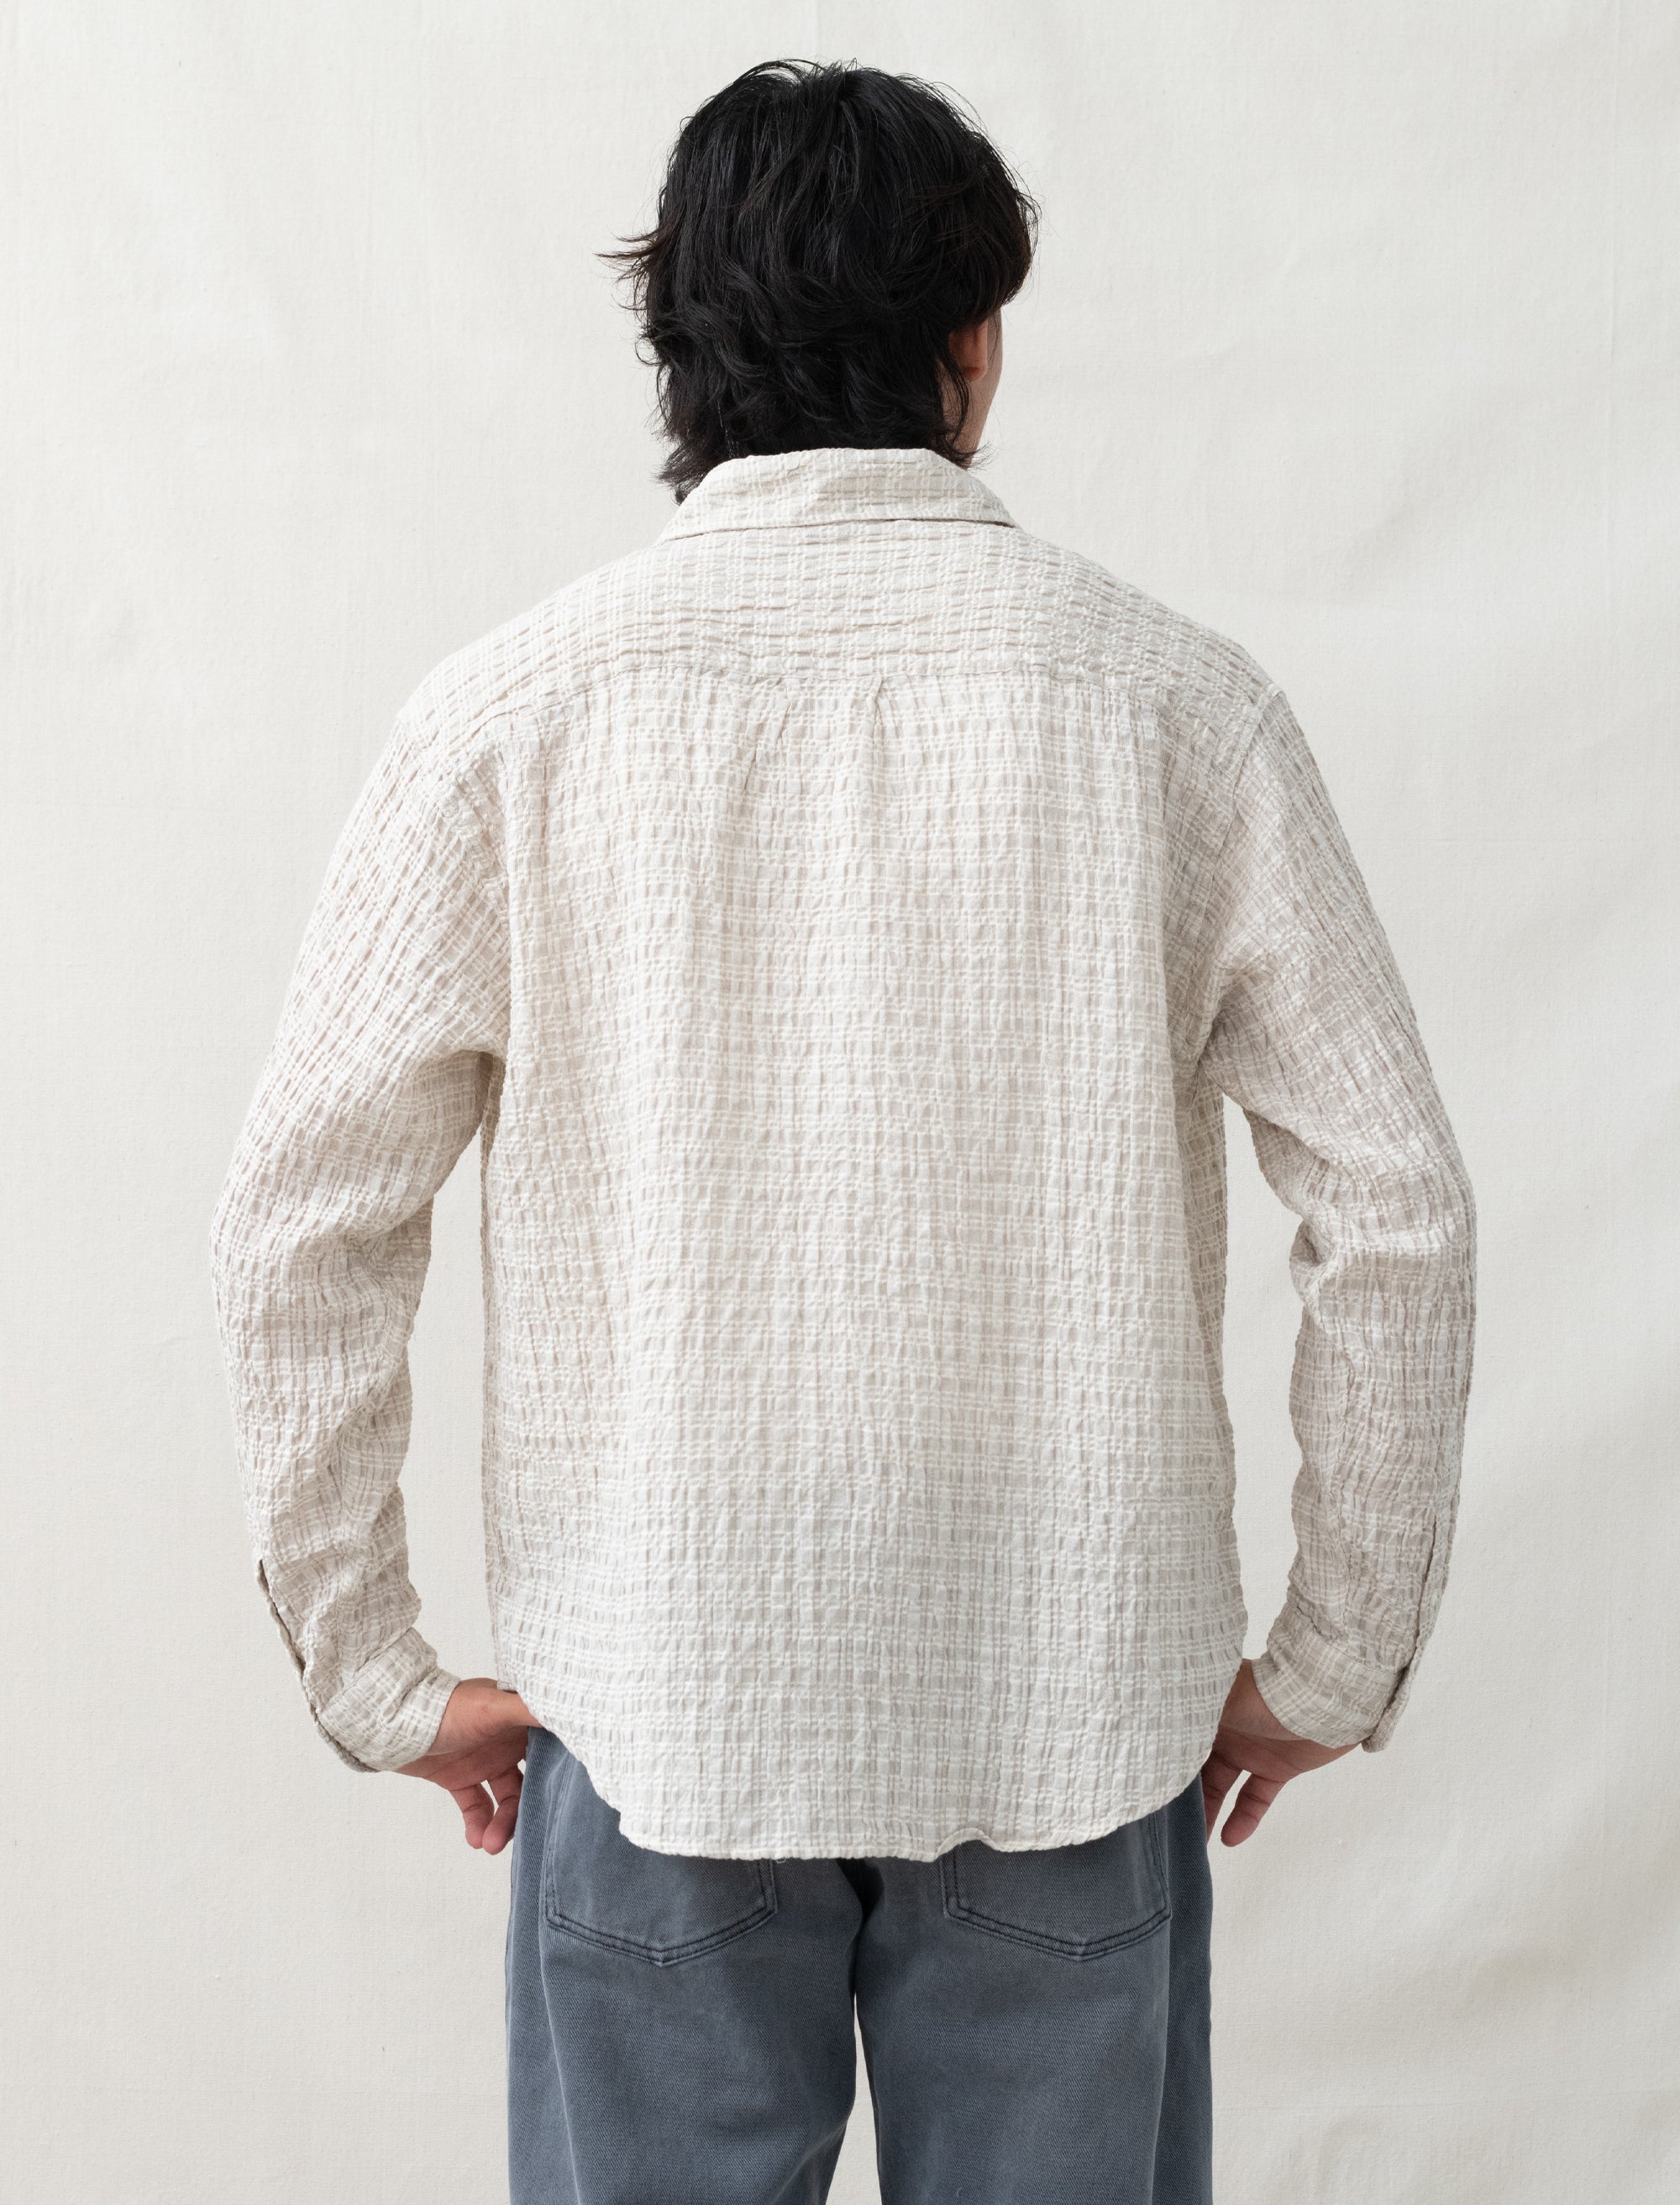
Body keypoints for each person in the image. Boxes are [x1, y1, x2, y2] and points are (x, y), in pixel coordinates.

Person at [208, 56, 1477, 2205]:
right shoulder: (1175, 706)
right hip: (1070, 1692)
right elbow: (1398, 1209)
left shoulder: (510, 714)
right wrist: (1334, 1654)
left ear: (675, 352)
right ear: (971, 345)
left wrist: (373, 1665)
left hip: (663, 1688)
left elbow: (301, 1223)